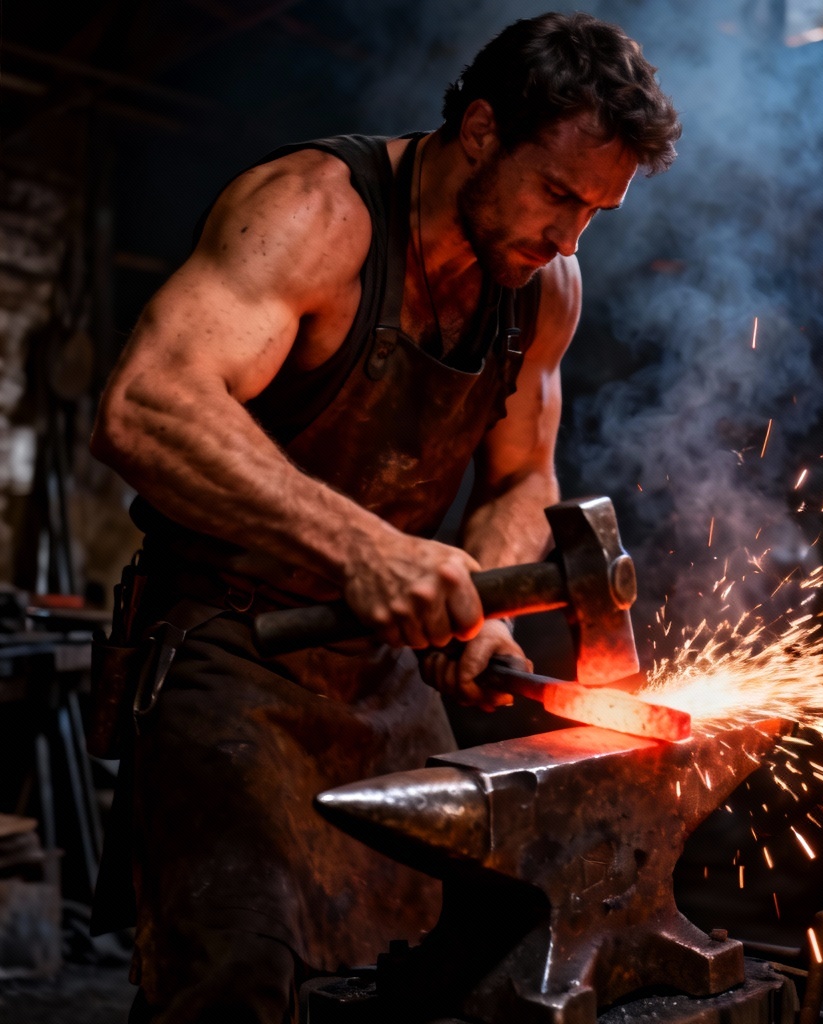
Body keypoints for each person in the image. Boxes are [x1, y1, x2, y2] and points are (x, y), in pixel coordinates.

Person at [88, 11, 680, 1023]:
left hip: (380, 667)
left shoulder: (544, 288)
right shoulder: (312, 214)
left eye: (595, 212)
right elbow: (146, 406)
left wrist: (481, 605)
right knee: (242, 971)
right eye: (557, 194)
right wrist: (364, 547)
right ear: (482, 131)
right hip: (229, 642)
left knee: (426, 963)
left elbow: (520, 479)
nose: (569, 237)